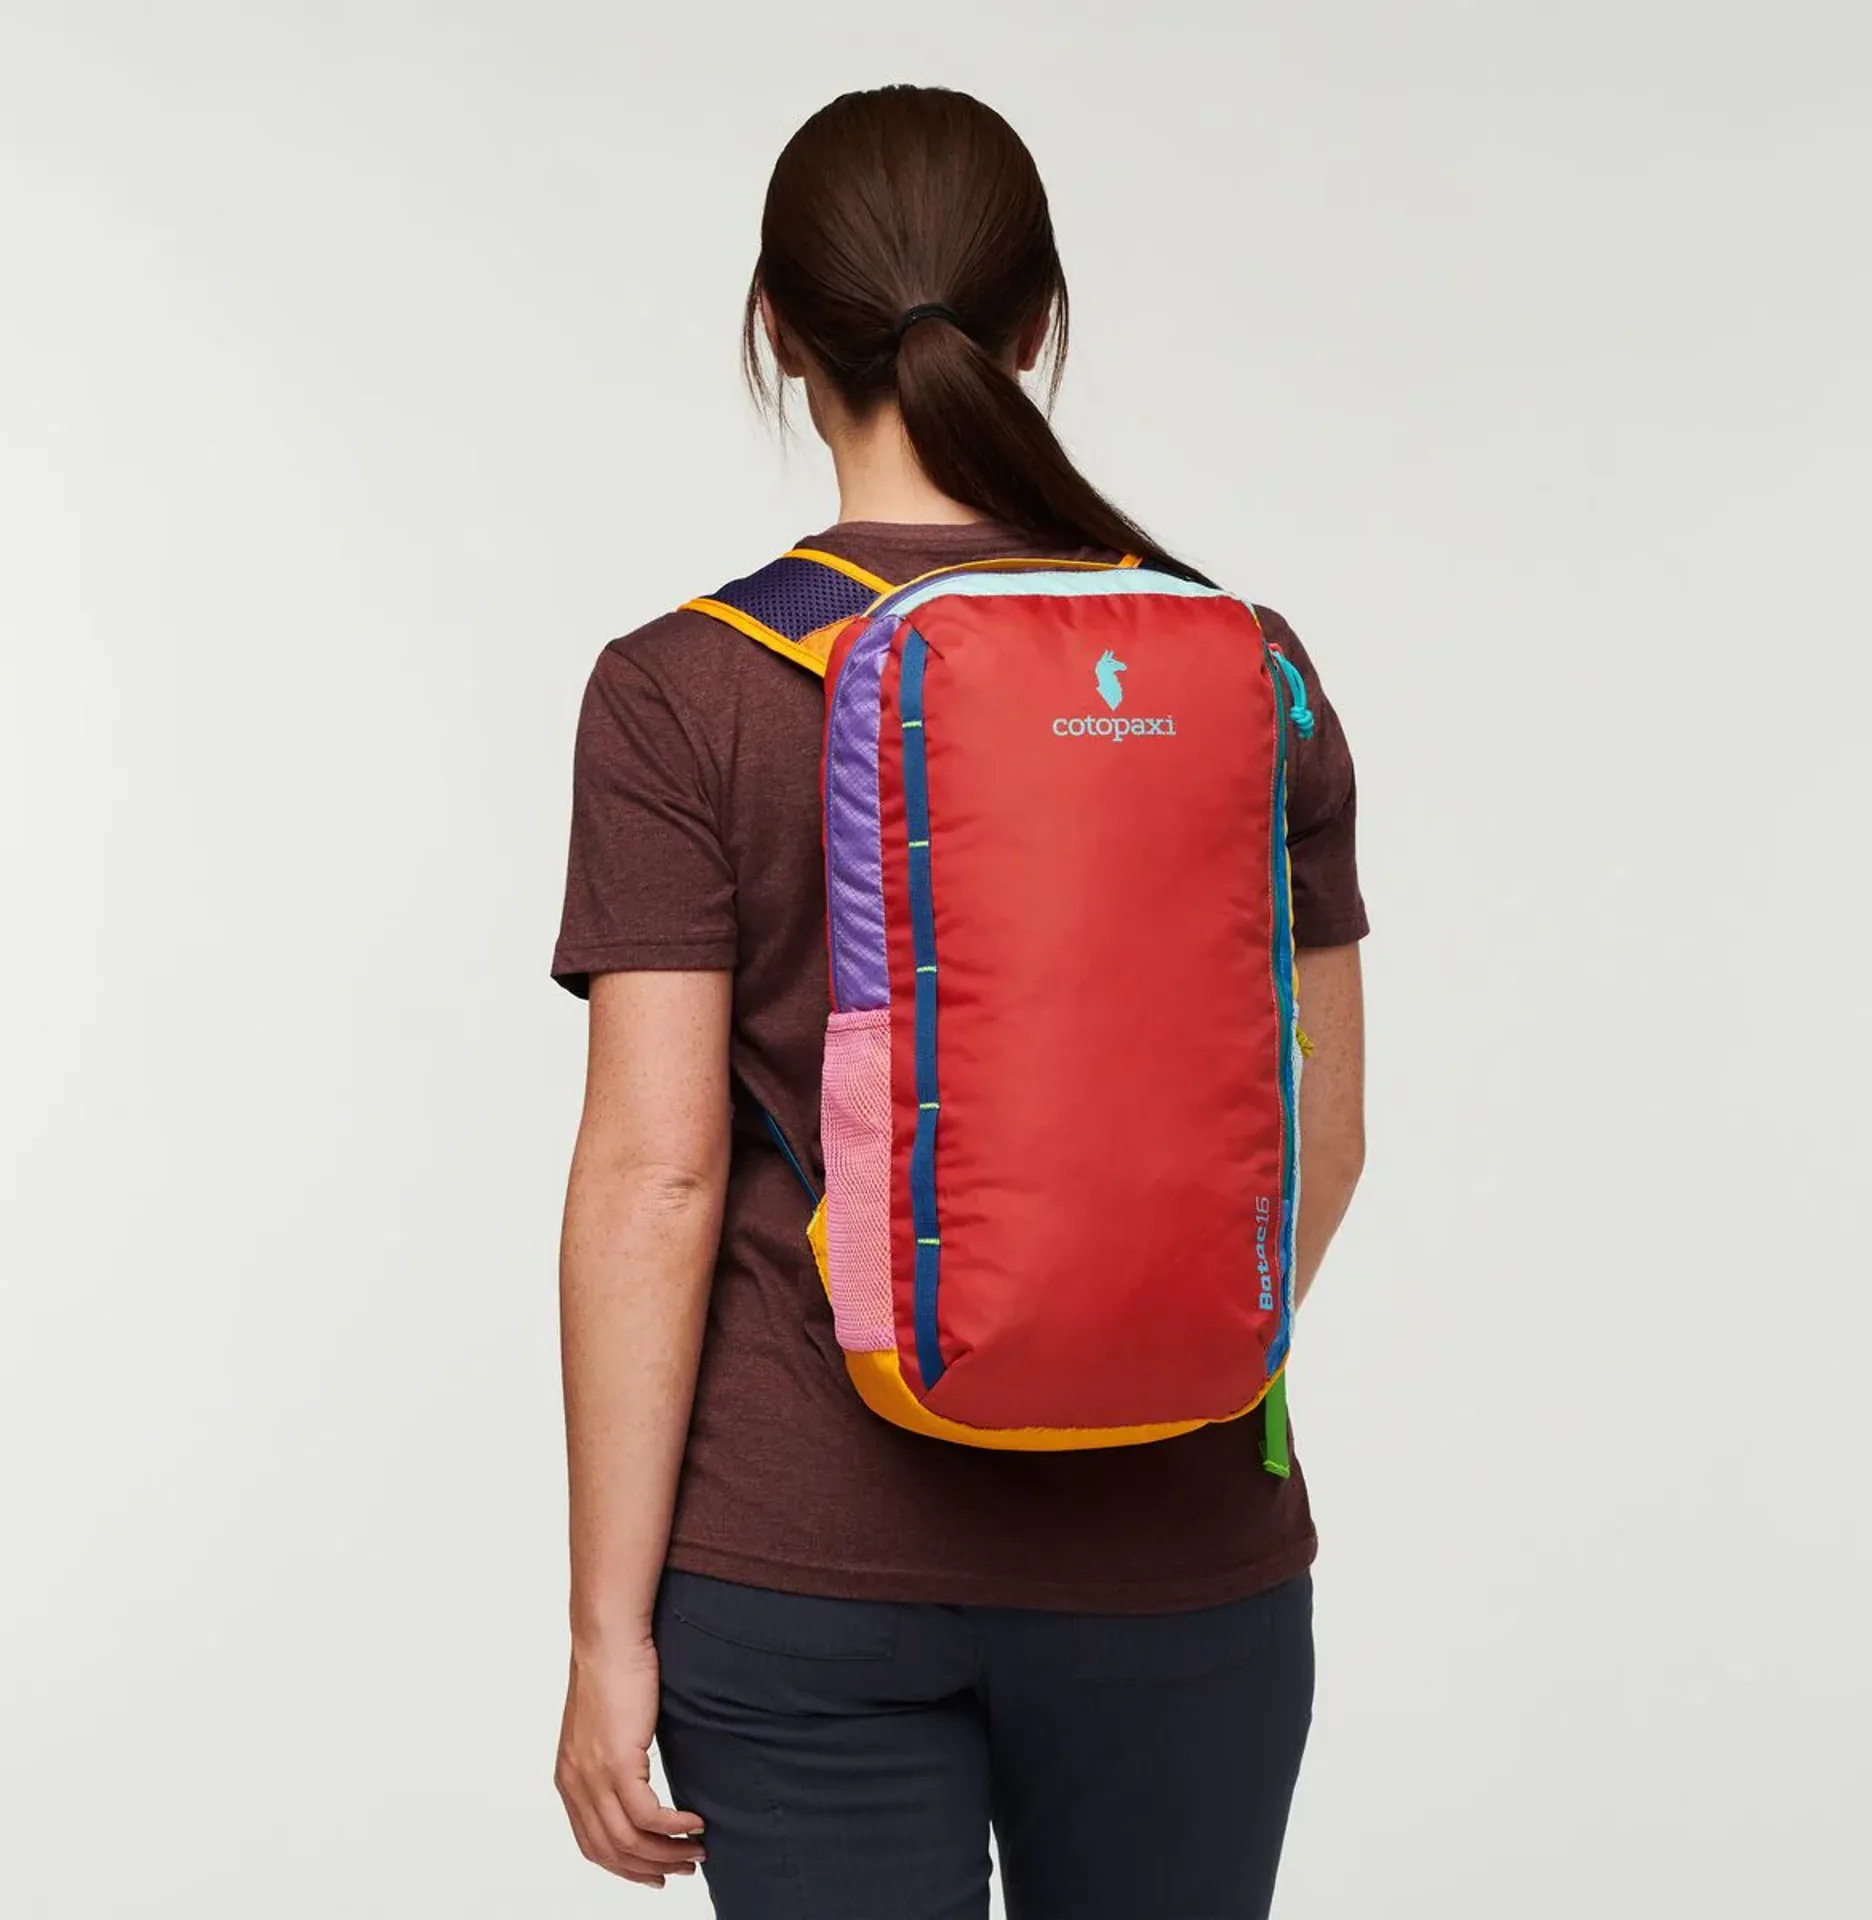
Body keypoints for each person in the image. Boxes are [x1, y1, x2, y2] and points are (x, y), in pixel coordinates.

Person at [549, 83, 1368, 1920]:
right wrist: (1127, 1346)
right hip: (1189, 1563)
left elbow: (655, 1182)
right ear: (1040, 321)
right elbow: (1320, 1136)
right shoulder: (1248, 667)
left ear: (775, 328)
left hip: (801, 1578)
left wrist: (608, 1633)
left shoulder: (684, 691)